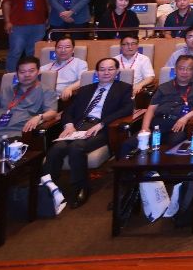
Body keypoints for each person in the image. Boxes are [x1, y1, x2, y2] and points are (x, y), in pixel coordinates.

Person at [44, 56, 133, 207]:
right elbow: (68, 111)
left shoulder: (123, 88)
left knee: (76, 147)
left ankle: (80, 187)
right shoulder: (86, 89)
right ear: (96, 72)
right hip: (78, 127)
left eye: (110, 69)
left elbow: (127, 109)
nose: (106, 72)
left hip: (102, 129)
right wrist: (69, 125)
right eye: (102, 69)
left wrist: (102, 123)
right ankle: (48, 188)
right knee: (56, 149)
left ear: (117, 71)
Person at [126, 55, 193, 156]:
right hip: (158, 124)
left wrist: (185, 118)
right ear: (175, 70)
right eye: (181, 68)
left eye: (189, 69)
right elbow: (151, 109)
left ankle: (159, 166)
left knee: (171, 146)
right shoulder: (164, 87)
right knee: (128, 144)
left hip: (177, 125)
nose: (185, 72)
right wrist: (145, 128)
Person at [2, 0, 50, 72]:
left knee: (34, 54)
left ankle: (32, 77)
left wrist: (48, 18)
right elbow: (6, 3)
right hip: (17, 25)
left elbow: (49, 2)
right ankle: (11, 78)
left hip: (39, 24)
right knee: (15, 52)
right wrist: (7, 21)